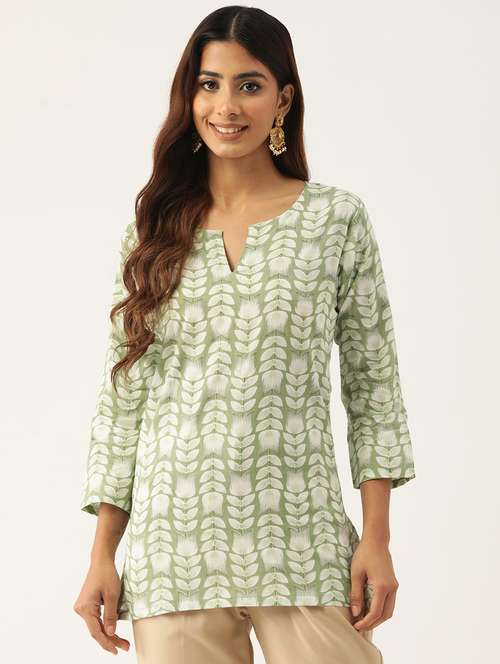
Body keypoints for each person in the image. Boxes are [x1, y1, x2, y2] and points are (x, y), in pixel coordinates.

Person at [73, 6, 416, 663]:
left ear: (282, 99)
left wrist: (377, 538)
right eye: (209, 85)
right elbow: (122, 404)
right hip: (174, 549)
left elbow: (373, 390)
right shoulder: (153, 234)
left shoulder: (334, 221)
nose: (226, 106)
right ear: (190, 97)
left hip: (302, 540)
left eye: (249, 85)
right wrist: (101, 556)